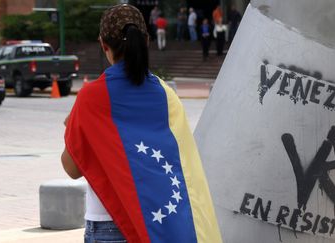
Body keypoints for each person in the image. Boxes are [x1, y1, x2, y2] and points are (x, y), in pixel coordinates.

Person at [61, 4, 222, 243]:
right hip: (161, 226)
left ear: (104, 45)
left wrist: (71, 126)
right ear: (146, 41)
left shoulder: (91, 97)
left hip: (107, 227)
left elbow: (72, 169)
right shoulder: (166, 95)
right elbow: (183, 168)